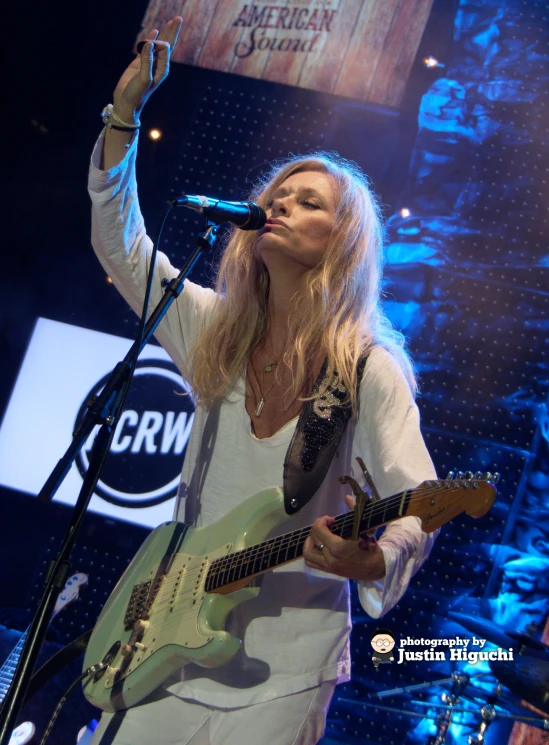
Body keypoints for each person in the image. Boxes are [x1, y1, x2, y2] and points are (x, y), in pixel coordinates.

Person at [87, 15, 437, 745]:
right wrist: (125, 115)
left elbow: (420, 499)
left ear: (342, 243)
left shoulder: (367, 367)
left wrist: (371, 555)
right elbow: (120, 244)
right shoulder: (213, 326)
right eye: (278, 194)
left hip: (283, 666)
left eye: (310, 202)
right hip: (161, 642)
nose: (280, 204)